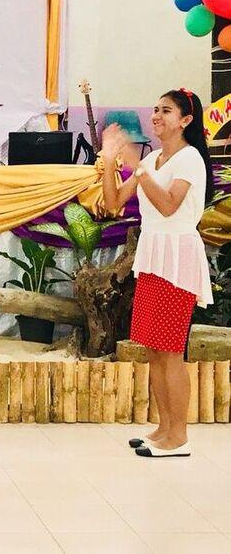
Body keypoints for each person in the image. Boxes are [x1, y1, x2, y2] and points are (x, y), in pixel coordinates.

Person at [101, 88, 214, 458]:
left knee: (170, 351)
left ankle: (178, 437)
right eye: (155, 109)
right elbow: (114, 203)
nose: (156, 116)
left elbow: (168, 205)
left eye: (166, 110)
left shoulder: (189, 158)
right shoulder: (153, 160)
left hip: (177, 259)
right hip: (152, 257)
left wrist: (138, 168)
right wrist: (110, 160)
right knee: (154, 350)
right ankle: (164, 428)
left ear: (185, 120)